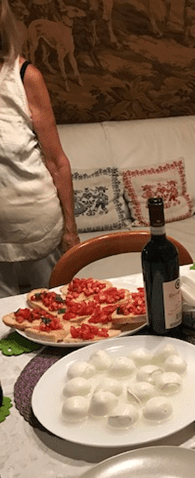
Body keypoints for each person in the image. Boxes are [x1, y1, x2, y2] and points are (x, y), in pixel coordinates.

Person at [0, 0, 80, 297]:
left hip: (36, 228)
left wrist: (70, 230)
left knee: (54, 310)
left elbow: (57, 160)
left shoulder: (24, 76)